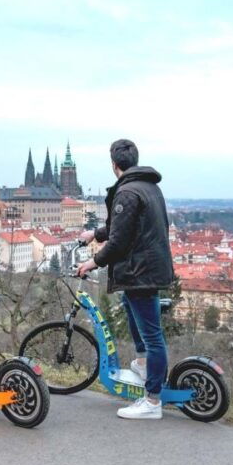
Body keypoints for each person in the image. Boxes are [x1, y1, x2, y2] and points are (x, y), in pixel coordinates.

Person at [77, 139, 174, 419]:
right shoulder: (149, 186)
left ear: (114, 164)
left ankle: (152, 401)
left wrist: (92, 262)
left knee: (153, 337)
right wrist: (94, 234)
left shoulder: (127, 192)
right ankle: (143, 365)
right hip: (147, 268)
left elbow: (119, 241)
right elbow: (124, 226)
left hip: (139, 271)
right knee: (133, 313)